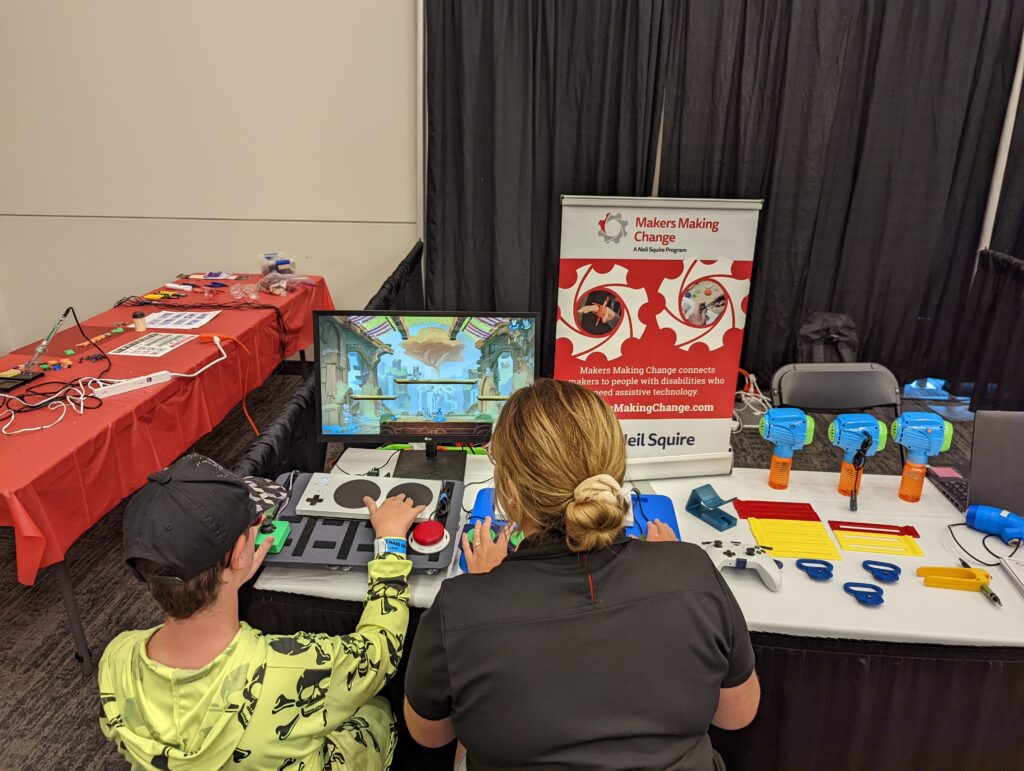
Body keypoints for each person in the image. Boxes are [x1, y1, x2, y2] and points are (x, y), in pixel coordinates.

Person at [403, 379, 760, 769]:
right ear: (616, 469)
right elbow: (736, 716)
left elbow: (430, 734)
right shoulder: (692, 571)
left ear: (508, 488)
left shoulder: (461, 607)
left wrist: (485, 587)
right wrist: (671, 567)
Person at [98, 453, 424, 770]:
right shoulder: (298, 666)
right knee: (377, 708)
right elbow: (382, 648)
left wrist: (228, 579)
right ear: (241, 551)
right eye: (256, 524)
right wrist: (390, 543)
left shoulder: (116, 658)